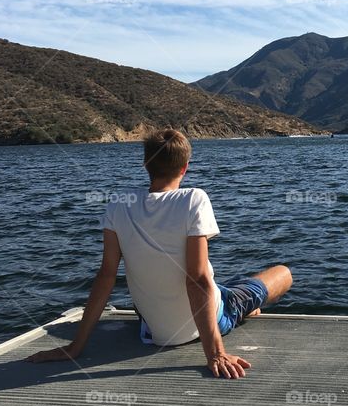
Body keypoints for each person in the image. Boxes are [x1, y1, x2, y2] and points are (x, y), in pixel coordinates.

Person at [25, 128, 292, 378]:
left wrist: (75, 348)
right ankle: (242, 310)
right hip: (203, 321)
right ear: (185, 168)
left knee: (221, 285)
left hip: (154, 330)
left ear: (146, 166)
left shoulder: (119, 204)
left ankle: (242, 307)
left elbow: (106, 276)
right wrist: (216, 354)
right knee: (282, 273)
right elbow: (196, 278)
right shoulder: (194, 198)